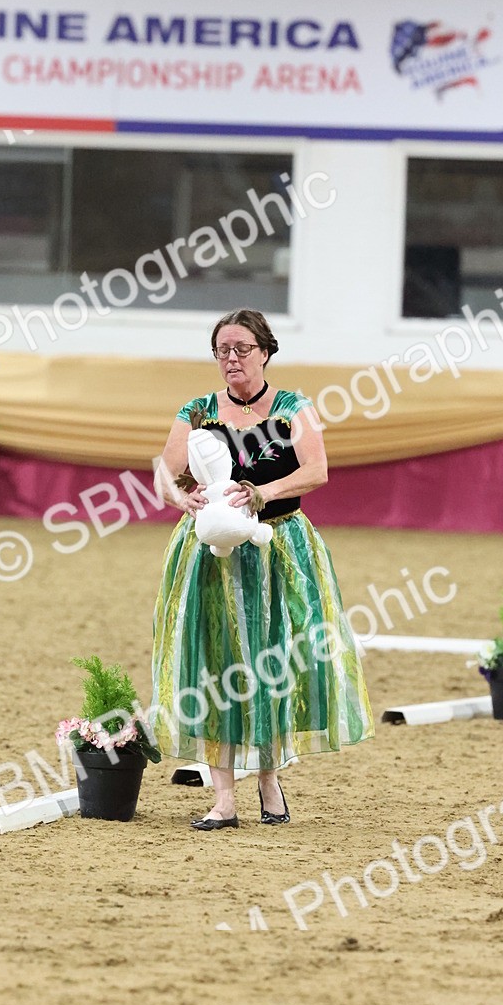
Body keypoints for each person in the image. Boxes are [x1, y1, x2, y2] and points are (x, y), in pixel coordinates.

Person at [151, 309, 374, 830]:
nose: (231, 358)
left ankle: (270, 780)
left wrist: (261, 492)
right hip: (208, 552)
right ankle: (224, 798)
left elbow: (316, 470)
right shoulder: (198, 409)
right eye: (222, 350)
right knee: (213, 663)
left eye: (241, 349)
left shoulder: (295, 406)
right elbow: (165, 472)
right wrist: (182, 496)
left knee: (273, 662)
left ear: (265, 352)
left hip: (280, 547)